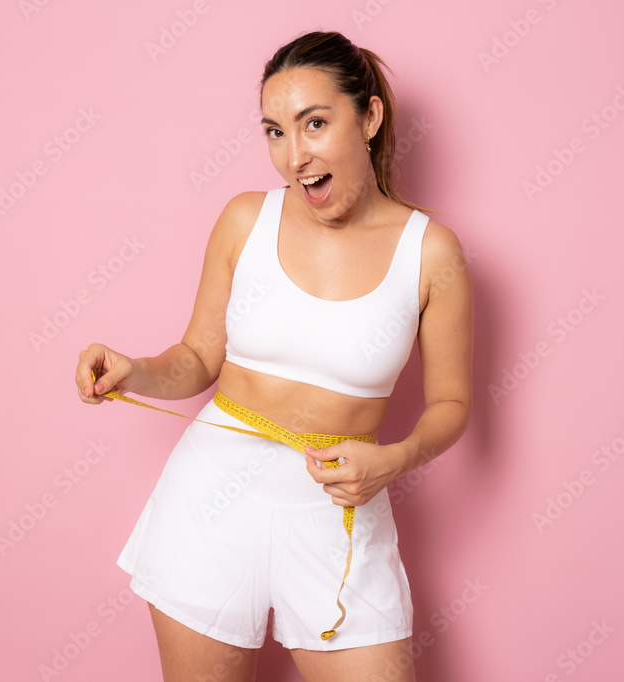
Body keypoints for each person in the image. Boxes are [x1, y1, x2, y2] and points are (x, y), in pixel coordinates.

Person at [74, 30, 472, 682]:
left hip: (340, 514)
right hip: (209, 504)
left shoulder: (431, 254)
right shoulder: (244, 221)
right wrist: (135, 370)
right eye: (274, 131)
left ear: (368, 118)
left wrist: (393, 460)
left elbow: (453, 403)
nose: (294, 155)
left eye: (314, 123)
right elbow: (199, 357)